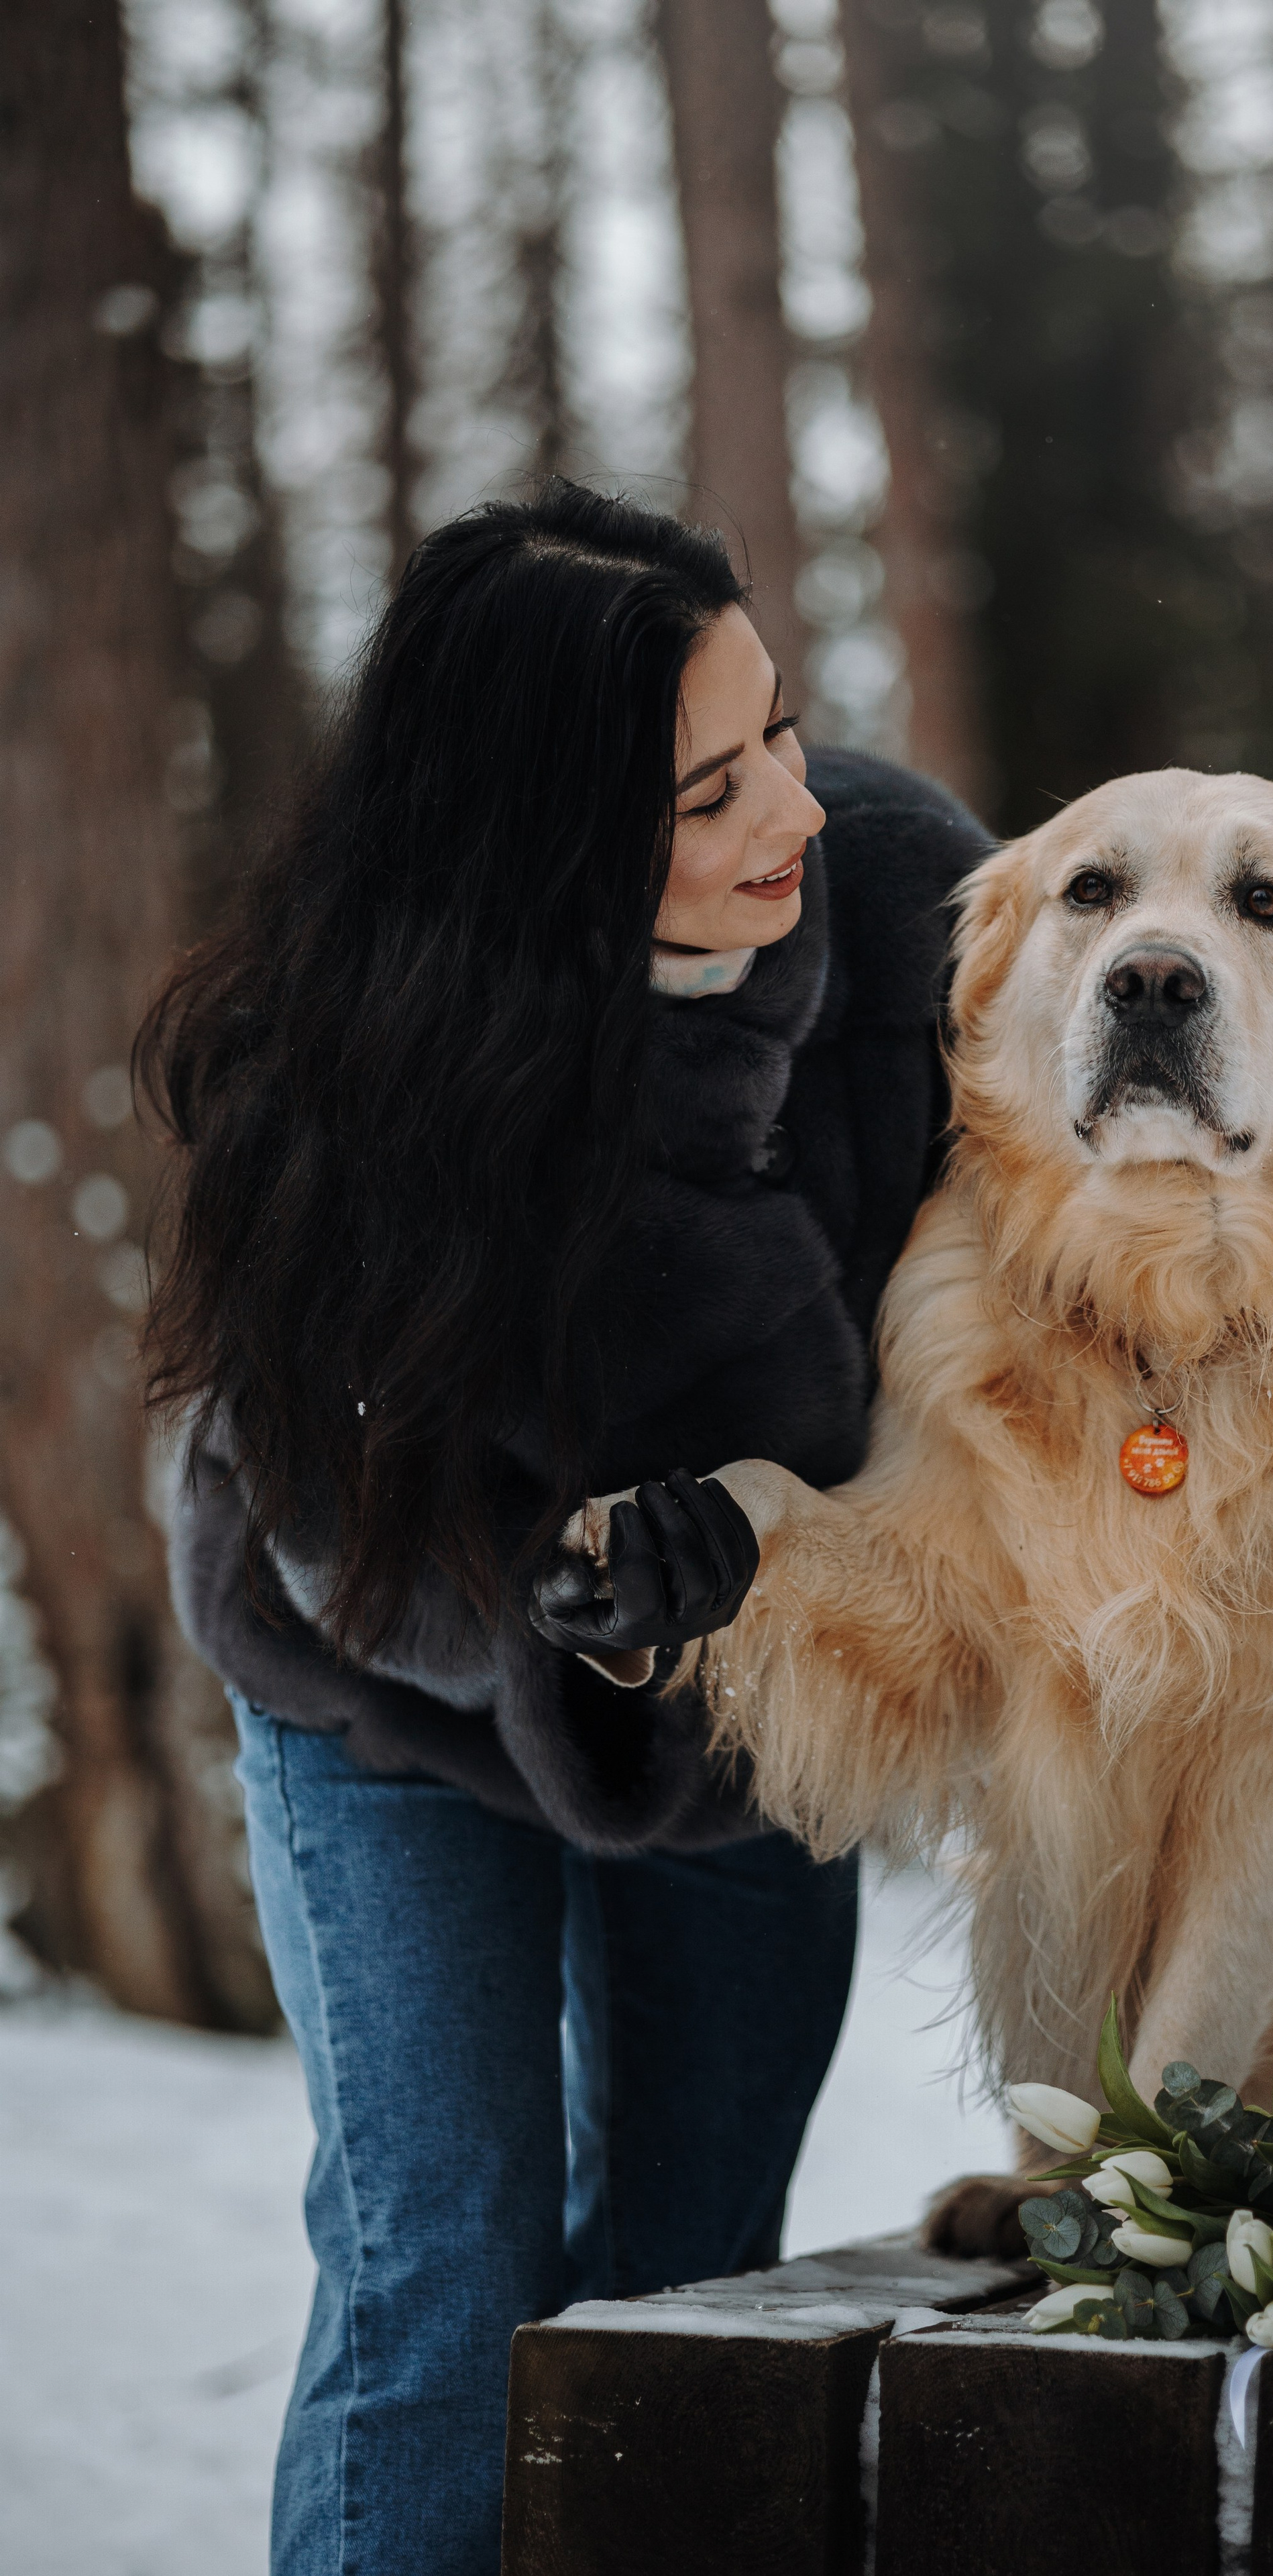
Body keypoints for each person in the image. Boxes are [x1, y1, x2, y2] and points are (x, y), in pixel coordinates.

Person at [140, 479, 992, 2576]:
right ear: (547, 843)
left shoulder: (905, 905)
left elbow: (1172, 1148)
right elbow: (347, 1520)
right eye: (710, 793)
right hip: (400, 1694)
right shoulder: (341, 1061)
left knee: (694, 2303)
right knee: (449, 2280)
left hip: (756, 1703)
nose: (790, 807)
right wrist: (587, 1618)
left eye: (777, 728)